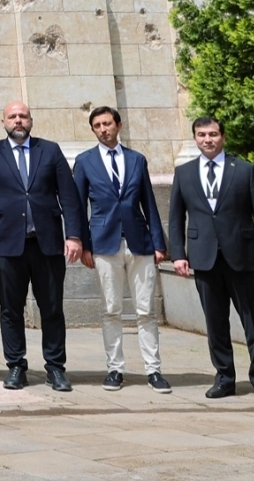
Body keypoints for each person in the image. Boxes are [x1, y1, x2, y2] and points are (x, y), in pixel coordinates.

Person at [168, 115, 254, 403]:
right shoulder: (184, 173)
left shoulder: (244, 170)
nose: (208, 139)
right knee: (215, 324)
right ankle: (225, 378)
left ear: (223, 137)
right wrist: (177, 254)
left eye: (213, 134)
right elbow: (176, 218)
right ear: (195, 138)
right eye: (202, 135)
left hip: (243, 258)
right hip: (204, 259)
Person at [0, 101, 82, 392]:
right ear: (3, 122)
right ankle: (16, 366)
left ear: (31, 120)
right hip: (8, 246)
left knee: (52, 308)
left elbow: (69, 197)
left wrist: (74, 235)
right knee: (11, 309)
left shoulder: (50, 151)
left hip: (47, 245)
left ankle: (55, 367)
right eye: (12, 116)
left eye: (23, 116)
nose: (18, 120)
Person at [73, 105, 169, 393]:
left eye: (107, 123)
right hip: (104, 245)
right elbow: (78, 207)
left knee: (146, 310)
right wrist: (83, 245)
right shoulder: (85, 161)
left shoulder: (136, 159)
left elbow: (149, 203)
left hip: (139, 243)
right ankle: (115, 369)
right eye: (97, 126)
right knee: (111, 309)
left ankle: (153, 370)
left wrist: (159, 243)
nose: (103, 129)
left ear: (118, 125)